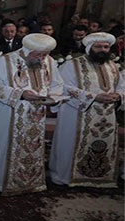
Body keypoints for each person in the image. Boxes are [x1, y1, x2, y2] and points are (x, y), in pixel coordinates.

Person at [0, 33, 64, 196]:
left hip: (37, 113)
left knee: (32, 144)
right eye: (38, 55)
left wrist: (54, 97)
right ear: (27, 50)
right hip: (9, 112)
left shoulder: (49, 61)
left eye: (44, 55)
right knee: (4, 145)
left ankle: (29, 180)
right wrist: (20, 94)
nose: (42, 59)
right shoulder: (6, 61)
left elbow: (57, 83)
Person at [49, 32, 124, 187]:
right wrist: (93, 97)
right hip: (77, 113)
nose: (103, 50)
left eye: (106, 47)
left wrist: (118, 96)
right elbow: (63, 87)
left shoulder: (113, 67)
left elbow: (121, 86)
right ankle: (65, 177)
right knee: (70, 146)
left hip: (106, 115)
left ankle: (98, 178)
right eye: (98, 47)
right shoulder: (72, 65)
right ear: (90, 47)